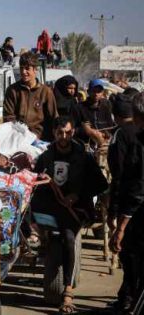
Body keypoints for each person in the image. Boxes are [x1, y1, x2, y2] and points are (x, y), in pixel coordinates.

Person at [31, 116, 107, 314]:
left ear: (72, 132)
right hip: (51, 209)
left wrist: (77, 195)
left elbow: (101, 184)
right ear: (54, 133)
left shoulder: (84, 157)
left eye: (67, 132)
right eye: (59, 133)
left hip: (76, 209)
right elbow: (33, 181)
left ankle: (68, 291)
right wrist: (43, 179)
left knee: (69, 237)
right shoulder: (46, 156)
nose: (63, 137)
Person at [109, 92, 144, 313]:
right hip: (135, 206)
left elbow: (127, 179)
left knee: (132, 255)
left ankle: (129, 300)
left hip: (136, 210)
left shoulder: (125, 136)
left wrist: (120, 224)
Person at [3, 52, 58, 141]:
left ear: (35, 70)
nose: (23, 72)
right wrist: (21, 135)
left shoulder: (46, 92)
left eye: (27, 68)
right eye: (21, 68)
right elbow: (8, 118)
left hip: (40, 140)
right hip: (17, 139)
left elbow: (54, 119)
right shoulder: (12, 90)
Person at [70, 79, 115, 147]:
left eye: (98, 91)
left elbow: (110, 125)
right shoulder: (79, 108)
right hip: (85, 145)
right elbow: (72, 129)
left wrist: (106, 133)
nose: (96, 94)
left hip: (104, 144)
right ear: (88, 92)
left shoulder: (106, 106)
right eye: (93, 91)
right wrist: (87, 131)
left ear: (102, 93)